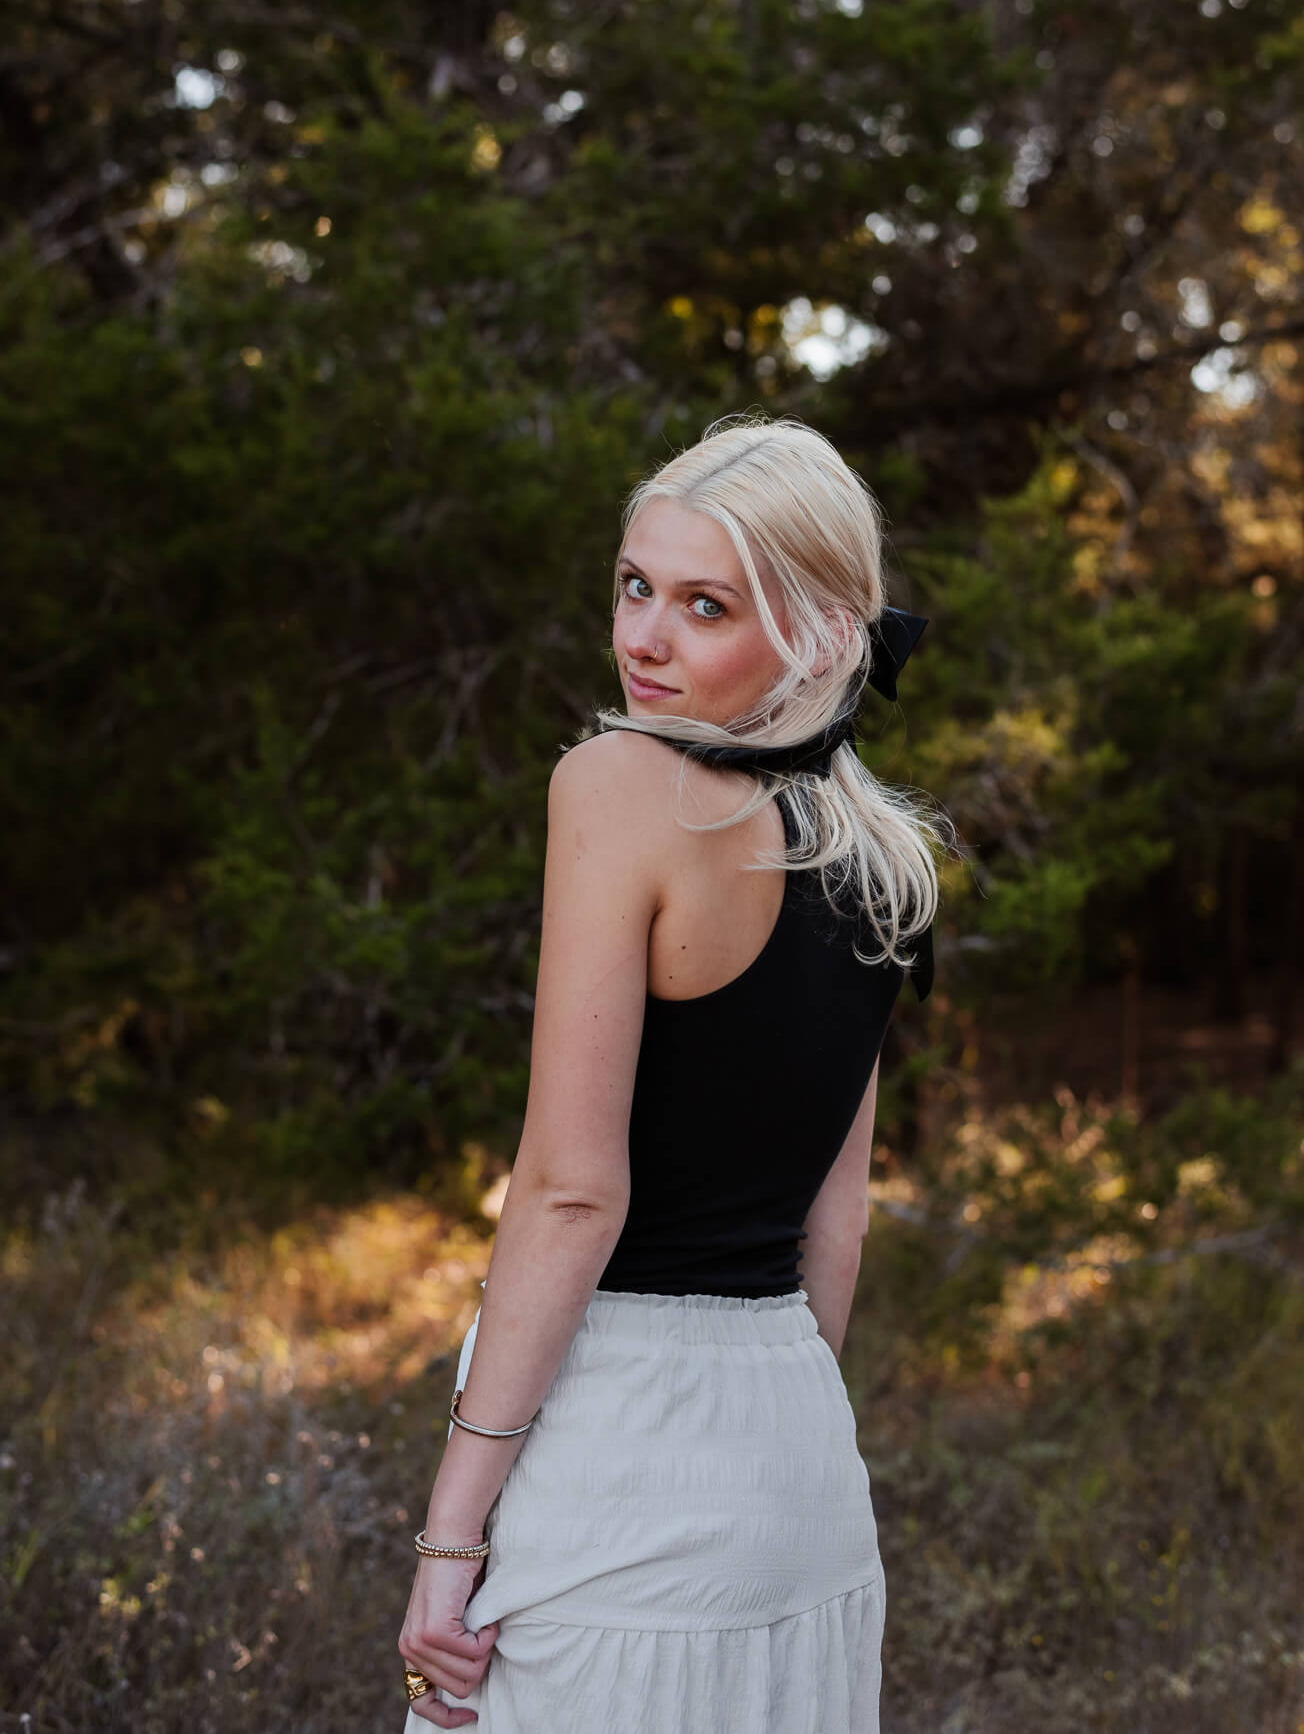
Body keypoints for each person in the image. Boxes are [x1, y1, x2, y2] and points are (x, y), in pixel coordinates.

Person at [396, 414, 954, 1733]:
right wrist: (760, 1446)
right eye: (635, 586)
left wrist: (449, 1537)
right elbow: (840, 1221)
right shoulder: (883, 858)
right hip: (802, 1465)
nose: (644, 639)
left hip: (620, 1442)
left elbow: (572, 1192)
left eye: (705, 605)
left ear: (823, 633)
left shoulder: (618, 785)